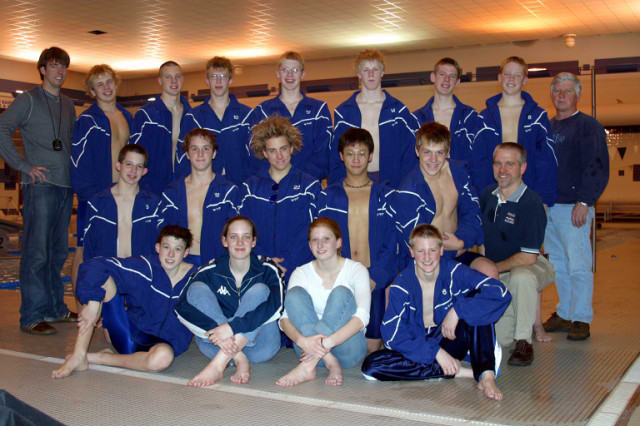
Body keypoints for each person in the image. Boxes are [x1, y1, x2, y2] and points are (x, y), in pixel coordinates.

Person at [361, 224, 510, 401]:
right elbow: (392, 335)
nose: (426, 257)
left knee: (477, 301)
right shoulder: (402, 284)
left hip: (451, 338)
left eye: (432, 250)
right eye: (421, 251)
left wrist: (457, 310)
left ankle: (486, 375)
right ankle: (460, 371)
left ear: (441, 250)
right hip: (420, 344)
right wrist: (436, 353)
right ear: (412, 252)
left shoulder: (454, 271)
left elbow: (500, 292)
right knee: (371, 367)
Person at [51, 225, 197, 378]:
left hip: (164, 347)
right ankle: (79, 355)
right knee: (102, 279)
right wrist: (93, 301)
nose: (171, 254)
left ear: (186, 252)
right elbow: (94, 264)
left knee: (163, 358)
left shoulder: (195, 277)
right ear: (157, 247)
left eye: (178, 249)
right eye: (166, 247)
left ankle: (104, 358)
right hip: (128, 334)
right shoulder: (144, 267)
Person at [0, 47, 77, 335]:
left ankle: (54, 308)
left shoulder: (68, 104)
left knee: (57, 253)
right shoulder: (29, 100)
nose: (60, 71)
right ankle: (31, 315)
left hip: (65, 186)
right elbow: (2, 129)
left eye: (64, 66)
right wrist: (23, 165)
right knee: (37, 253)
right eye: (54, 66)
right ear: (43, 69)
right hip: (40, 186)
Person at [174, 216, 284, 386]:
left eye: (246, 237)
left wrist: (232, 327)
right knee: (196, 288)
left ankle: (218, 366)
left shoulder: (268, 268)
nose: (240, 242)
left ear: (253, 241)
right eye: (233, 237)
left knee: (260, 290)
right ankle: (239, 359)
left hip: (260, 348)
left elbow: (277, 305)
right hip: (216, 345)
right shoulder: (210, 270)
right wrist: (219, 331)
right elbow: (181, 307)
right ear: (224, 241)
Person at [543, 72, 609, 341]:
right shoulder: (548, 126)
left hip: (574, 207)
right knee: (557, 264)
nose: (561, 95)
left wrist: (584, 201)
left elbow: (597, 166)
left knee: (578, 264)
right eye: (557, 90)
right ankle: (565, 312)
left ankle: (581, 317)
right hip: (550, 207)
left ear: (578, 95)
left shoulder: (588, 126)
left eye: (567, 91)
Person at [316, 128, 396, 352]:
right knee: (338, 341)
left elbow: (392, 242)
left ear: (370, 156)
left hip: (372, 277)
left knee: (371, 347)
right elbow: (320, 240)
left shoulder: (385, 195)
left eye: (362, 153)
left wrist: (376, 278)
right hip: (340, 276)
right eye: (350, 153)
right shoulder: (328, 196)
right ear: (341, 156)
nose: (356, 159)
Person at [481, 142, 555, 367]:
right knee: (501, 340)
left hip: (532, 266)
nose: (502, 170)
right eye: (498, 163)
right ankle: (515, 327)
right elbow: (482, 242)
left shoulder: (530, 202)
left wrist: (492, 269)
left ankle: (524, 341)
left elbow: (529, 257)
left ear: (522, 168)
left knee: (521, 276)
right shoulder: (487, 195)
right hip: (501, 272)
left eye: (509, 164)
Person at [394, 122, 497, 277]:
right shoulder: (408, 191)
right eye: (427, 152)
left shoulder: (459, 173)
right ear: (417, 151)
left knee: (489, 271)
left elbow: (473, 212)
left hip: (459, 246)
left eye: (439, 152)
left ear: (448, 152)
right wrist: (456, 247)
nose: (433, 159)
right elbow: (414, 243)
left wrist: (461, 241)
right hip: (427, 261)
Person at [276, 218, 370, 387]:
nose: (320, 244)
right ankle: (330, 362)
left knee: (341, 292)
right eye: (315, 240)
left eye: (326, 239)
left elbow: (362, 317)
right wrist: (303, 342)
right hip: (306, 349)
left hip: (347, 350)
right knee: (294, 295)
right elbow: (284, 320)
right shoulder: (300, 273)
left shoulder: (356, 270)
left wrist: (325, 343)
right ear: (309, 245)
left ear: (338, 242)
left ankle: (307, 367)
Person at [71, 64, 133, 290]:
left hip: (123, 193)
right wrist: (88, 195)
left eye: (109, 82)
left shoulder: (127, 116)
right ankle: (81, 305)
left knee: (119, 246)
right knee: (84, 249)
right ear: (91, 91)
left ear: (116, 84)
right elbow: (77, 161)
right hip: (95, 195)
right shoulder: (87, 120)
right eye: (99, 84)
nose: (106, 87)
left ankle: (113, 301)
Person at [239, 115, 320, 280]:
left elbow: (312, 229)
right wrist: (264, 260)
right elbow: (243, 230)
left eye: (283, 148)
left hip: (300, 270)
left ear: (291, 148)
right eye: (272, 151)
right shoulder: (249, 188)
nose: (279, 156)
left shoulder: (310, 186)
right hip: (259, 271)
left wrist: (288, 263)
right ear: (264, 153)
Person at [329, 49, 419, 188]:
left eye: (375, 69)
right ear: (359, 74)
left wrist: (404, 186)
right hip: (354, 182)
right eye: (366, 70)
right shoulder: (343, 112)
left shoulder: (399, 111)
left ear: (382, 72)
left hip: (390, 182)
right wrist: (337, 187)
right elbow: (336, 155)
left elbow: (410, 154)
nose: (371, 74)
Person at [480, 56, 558, 206]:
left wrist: (544, 200)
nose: (511, 79)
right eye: (507, 74)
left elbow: (547, 160)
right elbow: (479, 161)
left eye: (517, 75)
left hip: (528, 194)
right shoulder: (485, 117)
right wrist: (481, 197)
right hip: (493, 195)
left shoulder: (537, 116)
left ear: (525, 80)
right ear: (499, 77)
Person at [159, 128, 240, 267]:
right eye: (194, 149)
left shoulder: (229, 191)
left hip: (217, 263)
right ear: (187, 154)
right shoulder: (172, 192)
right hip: (181, 263)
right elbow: (162, 233)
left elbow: (236, 233)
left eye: (206, 149)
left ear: (214, 153)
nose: (200, 154)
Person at [413, 57, 493, 194]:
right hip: (426, 189)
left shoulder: (471, 117)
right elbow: (411, 159)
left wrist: (479, 194)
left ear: (458, 82)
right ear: (433, 77)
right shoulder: (416, 118)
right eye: (442, 74)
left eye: (452, 76)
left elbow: (480, 161)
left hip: (461, 188)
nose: (447, 80)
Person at [248, 51, 332, 180]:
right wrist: (275, 179)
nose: (290, 74)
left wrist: (301, 180)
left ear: (303, 74)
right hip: (274, 183)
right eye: (285, 69)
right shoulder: (262, 110)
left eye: (295, 70)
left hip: (309, 182)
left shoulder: (319, 110)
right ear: (278, 73)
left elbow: (323, 153)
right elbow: (257, 152)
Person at [179, 57, 253, 186]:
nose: (218, 81)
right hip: (205, 187)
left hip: (241, 185)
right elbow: (183, 155)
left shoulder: (247, 115)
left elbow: (256, 154)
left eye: (223, 76)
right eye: (214, 76)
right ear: (207, 80)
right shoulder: (193, 117)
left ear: (230, 80)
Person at [83, 144, 161, 260]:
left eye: (139, 166)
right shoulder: (97, 203)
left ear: (144, 171)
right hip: (107, 268)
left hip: (141, 269)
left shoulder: (154, 204)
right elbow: (88, 247)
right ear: (118, 166)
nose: (133, 171)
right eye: (129, 164)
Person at [130, 61, 191, 195]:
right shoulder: (145, 114)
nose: (174, 81)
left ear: (182, 79)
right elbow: (135, 152)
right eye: (168, 77)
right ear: (160, 80)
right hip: (153, 184)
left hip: (185, 183)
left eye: (177, 76)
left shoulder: (192, 115)